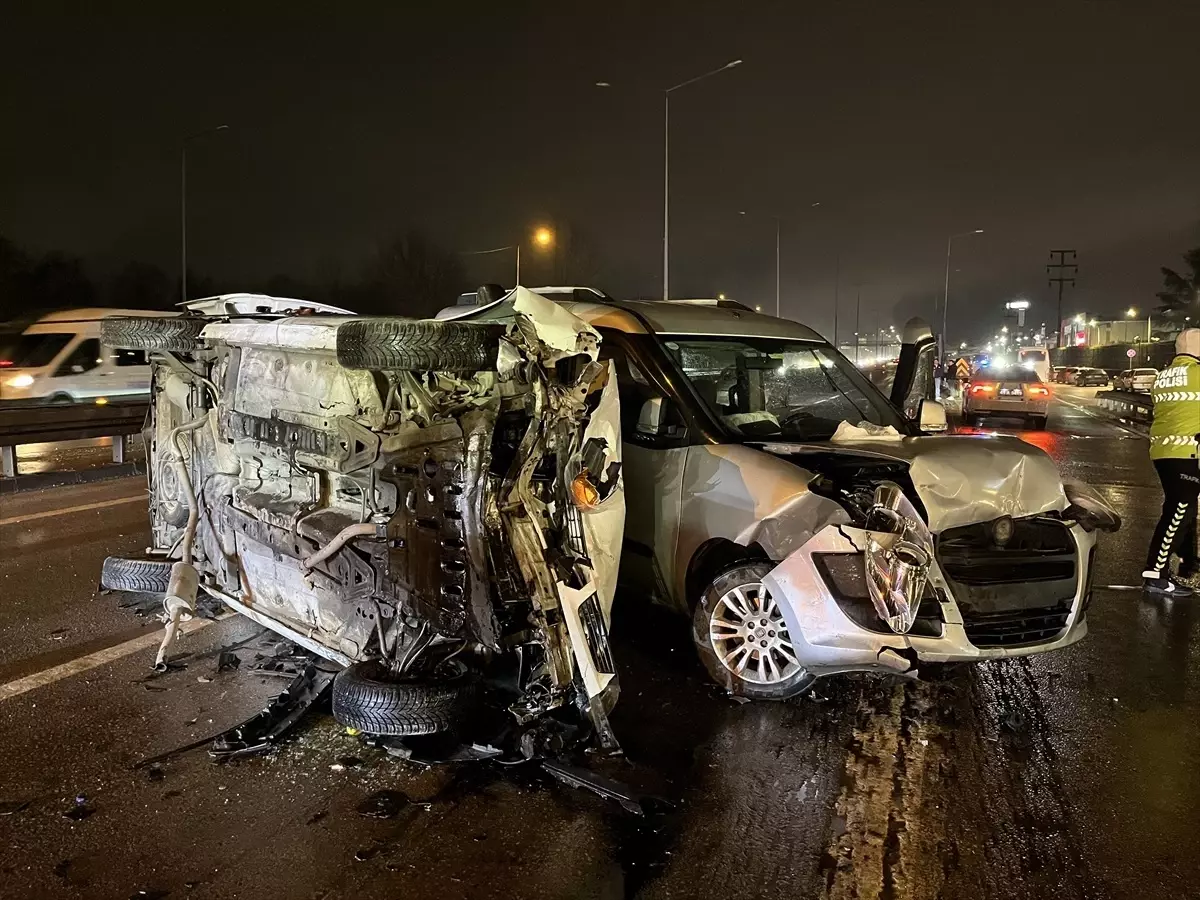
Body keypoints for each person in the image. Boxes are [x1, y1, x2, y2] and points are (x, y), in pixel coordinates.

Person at [1143, 328, 1200, 596]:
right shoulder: (1198, 374)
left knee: (1183, 508)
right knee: (1179, 510)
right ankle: (1155, 573)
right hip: (1187, 452)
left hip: (1163, 452)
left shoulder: (1162, 376)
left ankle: (1189, 564)